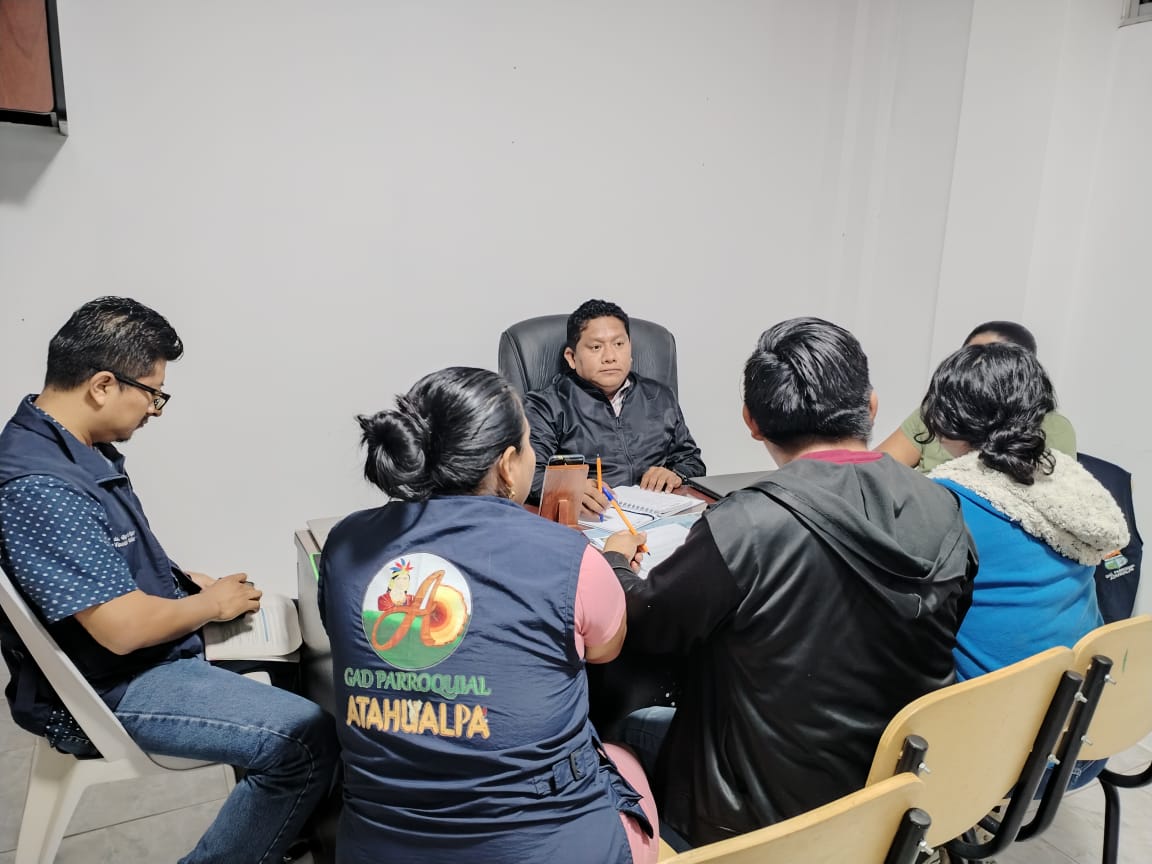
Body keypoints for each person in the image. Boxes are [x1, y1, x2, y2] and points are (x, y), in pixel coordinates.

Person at [604, 317, 977, 847]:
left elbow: (647, 626)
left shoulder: (746, 524)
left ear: (752, 422)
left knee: (622, 723)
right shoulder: (944, 507)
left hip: (753, 816)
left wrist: (616, 563)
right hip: (893, 794)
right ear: (871, 406)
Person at [0, 297, 337, 864]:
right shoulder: (42, 486)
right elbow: (122, 630)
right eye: (153, 393)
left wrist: (182, 582)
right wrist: (208, 606)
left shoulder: (67, 446)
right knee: (305, 738)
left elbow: (108, 557)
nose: (156, 409)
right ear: (103, 385)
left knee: (294, 660)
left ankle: (280, 833)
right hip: (109, 685)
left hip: (119, 662)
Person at [318, 366, 658, 864]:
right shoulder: (568, 556)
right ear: (506, 466)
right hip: (545, 849)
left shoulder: (345, 543)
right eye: (529, 442)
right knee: (624, 758)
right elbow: (606, 649)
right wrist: (610, 562)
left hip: (377, 847)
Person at [920, 343, 1128, 681]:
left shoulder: (945, 502)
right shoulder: (1068, 483)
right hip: (1078, 691)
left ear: (947, 417)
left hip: (984, 699)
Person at [523, 299, 705, 515]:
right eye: (596, 347)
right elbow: (528, 475)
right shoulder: (545, 406)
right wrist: (569, 488)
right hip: (589, 520)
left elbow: (692, 461)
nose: (610, 357)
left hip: (656, 518)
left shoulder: (659, 396)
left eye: (619, 344)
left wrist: (676, 474)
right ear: (571, 357)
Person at [876, 320, 1077, 472]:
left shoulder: (1053, 426)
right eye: (970, 357)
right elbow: (875, 469)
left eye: (991, 362)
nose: (974, 371)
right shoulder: (937, 410)